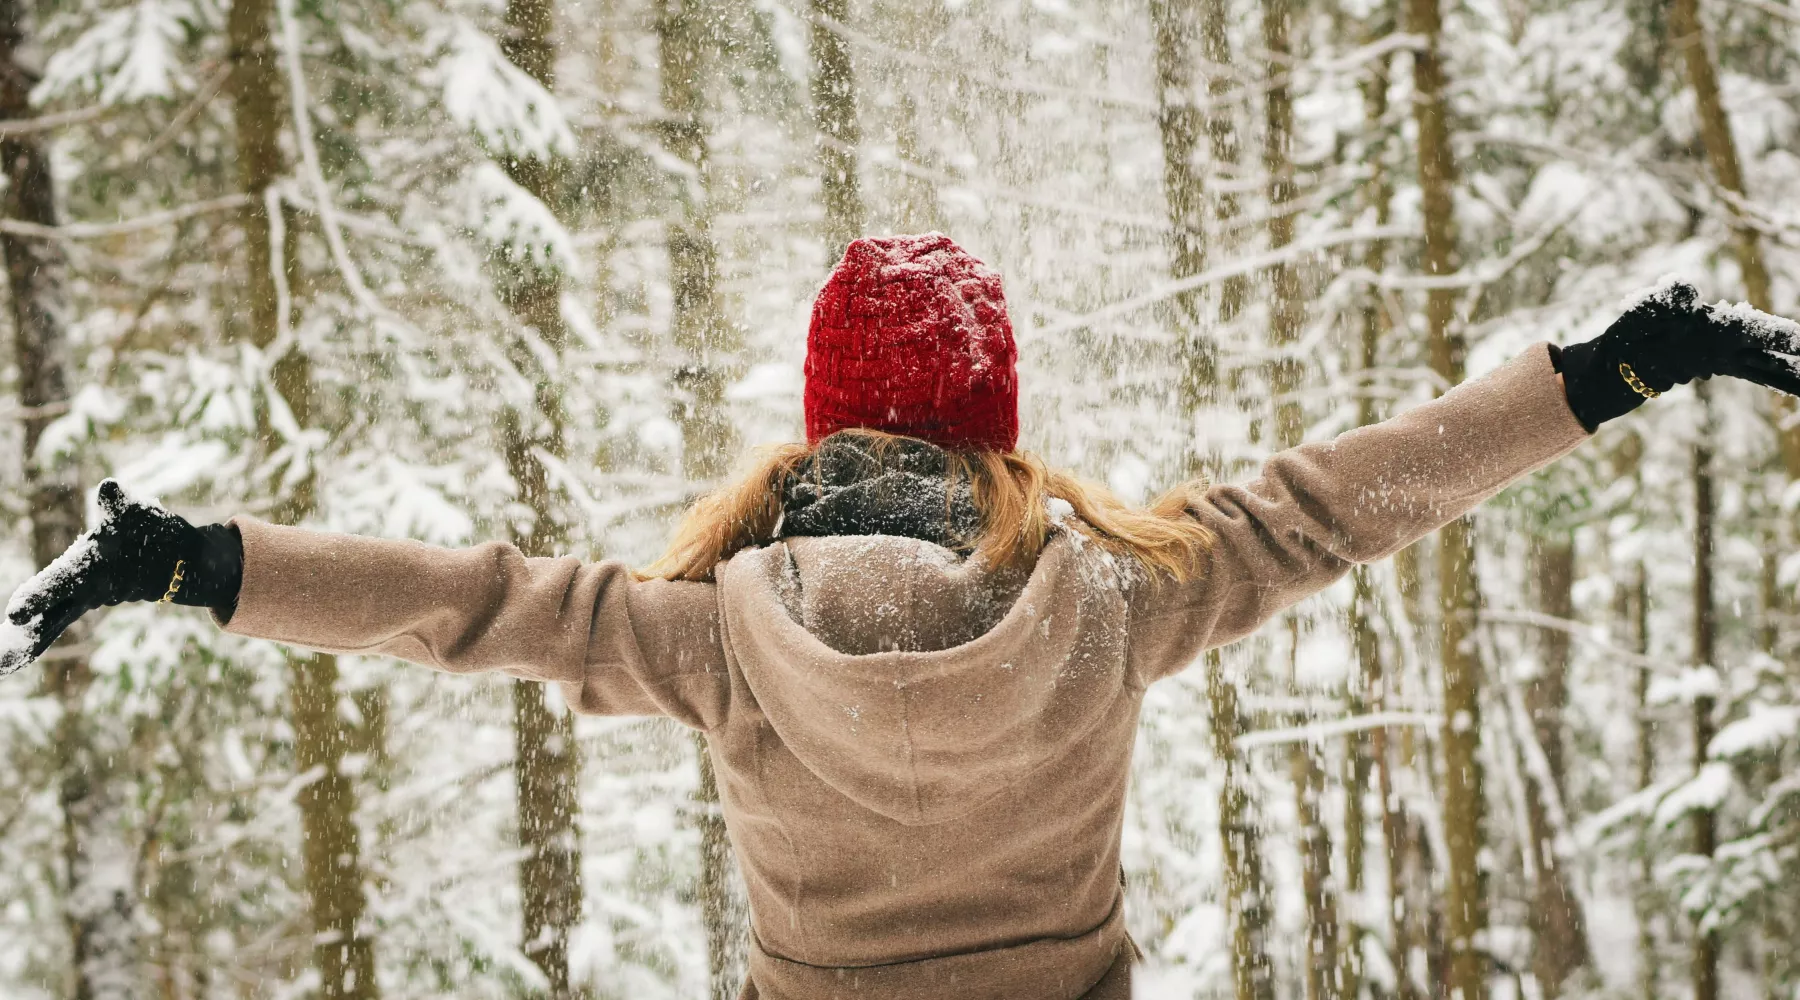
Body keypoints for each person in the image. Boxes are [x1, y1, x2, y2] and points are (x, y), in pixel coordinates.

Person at [5, 234, 1799, 999]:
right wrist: (1615, 368)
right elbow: (1345, 500)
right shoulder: (1112, 601)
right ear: (995, 421)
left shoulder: (710, 637)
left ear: (819, 422)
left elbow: (473, 611)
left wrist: (200, 561)